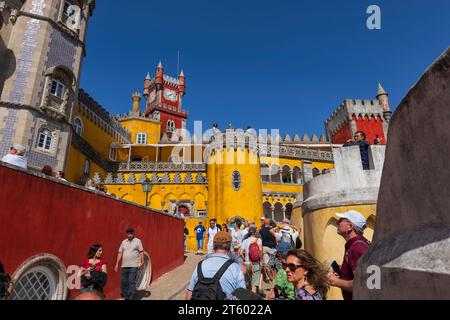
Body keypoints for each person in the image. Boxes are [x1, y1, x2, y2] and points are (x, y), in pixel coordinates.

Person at [186, 231, 246, 300]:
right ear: (229, 246)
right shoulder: (235, 268)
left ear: (214, 245)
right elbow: (242, 295)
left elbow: (189, 293)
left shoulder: (200, 265)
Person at [327, 210, 370, 300]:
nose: (338, 222)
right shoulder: (356, 244)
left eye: (341, 220)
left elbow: (364, 284)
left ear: (350, 226)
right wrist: (344, 272)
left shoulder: (357, 247)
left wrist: (336, 281)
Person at [114, 228, 144, 300]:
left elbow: (141, 251)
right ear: (126, 234)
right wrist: (117, 264)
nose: (129, 234)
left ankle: (131, 297)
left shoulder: (138, 241)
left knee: (131, 281)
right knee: (123, 283)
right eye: (128, 233)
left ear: (133, 233)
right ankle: (127, 296)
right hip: (124, 266)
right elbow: (120, 252)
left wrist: (142, 261)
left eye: (131, 233)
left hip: (133, 265)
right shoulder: (123, 242)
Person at [239, 227, 263, 294]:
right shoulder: (259, 240)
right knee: (254, 285)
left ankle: (251, 295)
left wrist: (245, 260)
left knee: (250, 282)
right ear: (255, 232)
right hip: (256, 263)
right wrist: (261, 261)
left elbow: (240, 253)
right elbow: (260, 252)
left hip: (247, 264)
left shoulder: (245, 241)